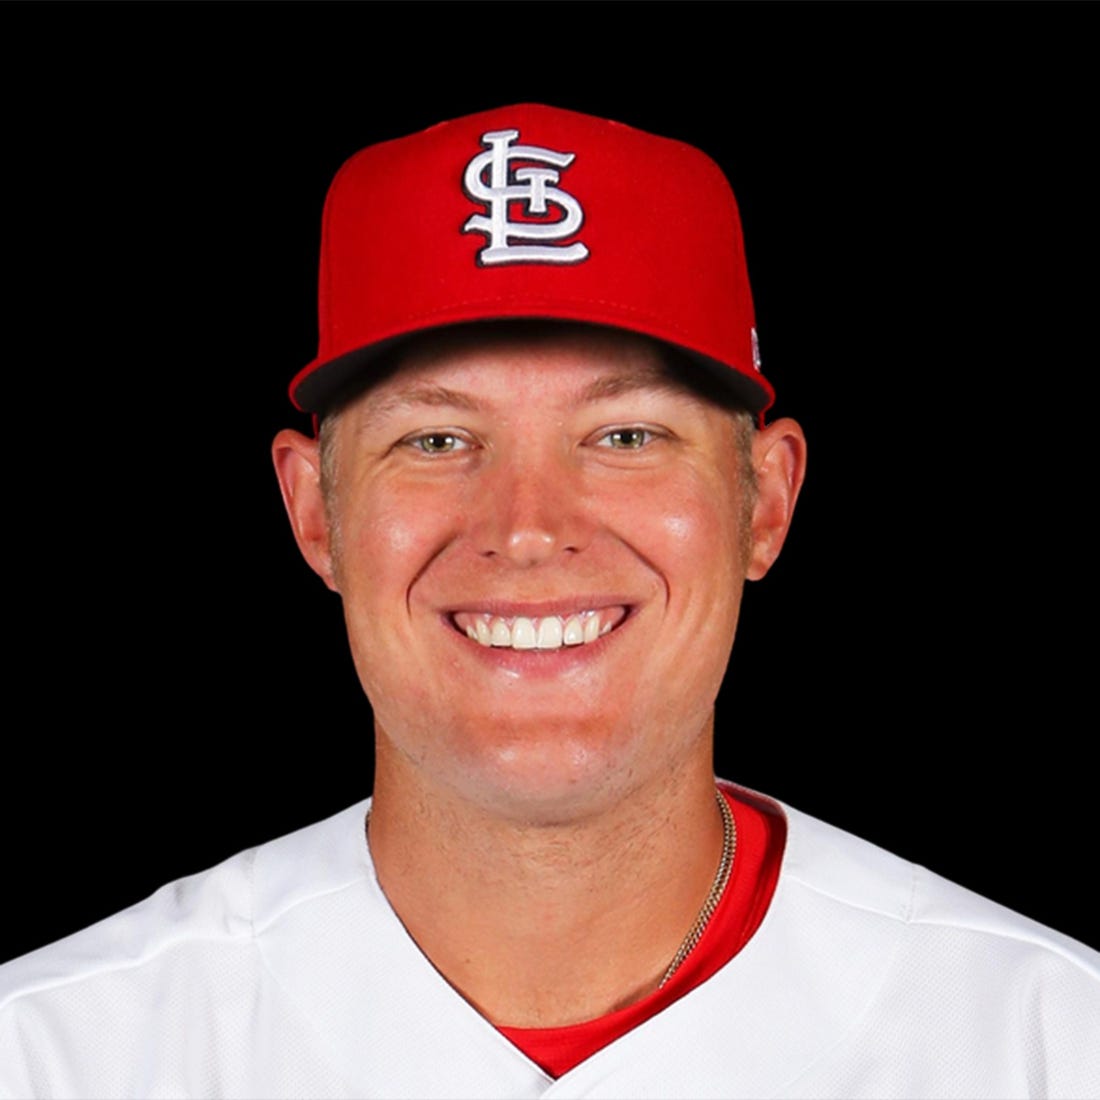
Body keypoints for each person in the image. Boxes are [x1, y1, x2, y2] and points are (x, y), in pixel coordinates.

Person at [1, 103, 1096, 1099]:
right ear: (314, 511)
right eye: (436, 439)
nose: (525, 528)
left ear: (761, 499)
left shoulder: (1046, 1041)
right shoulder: (57, 1052)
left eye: (624, 435)